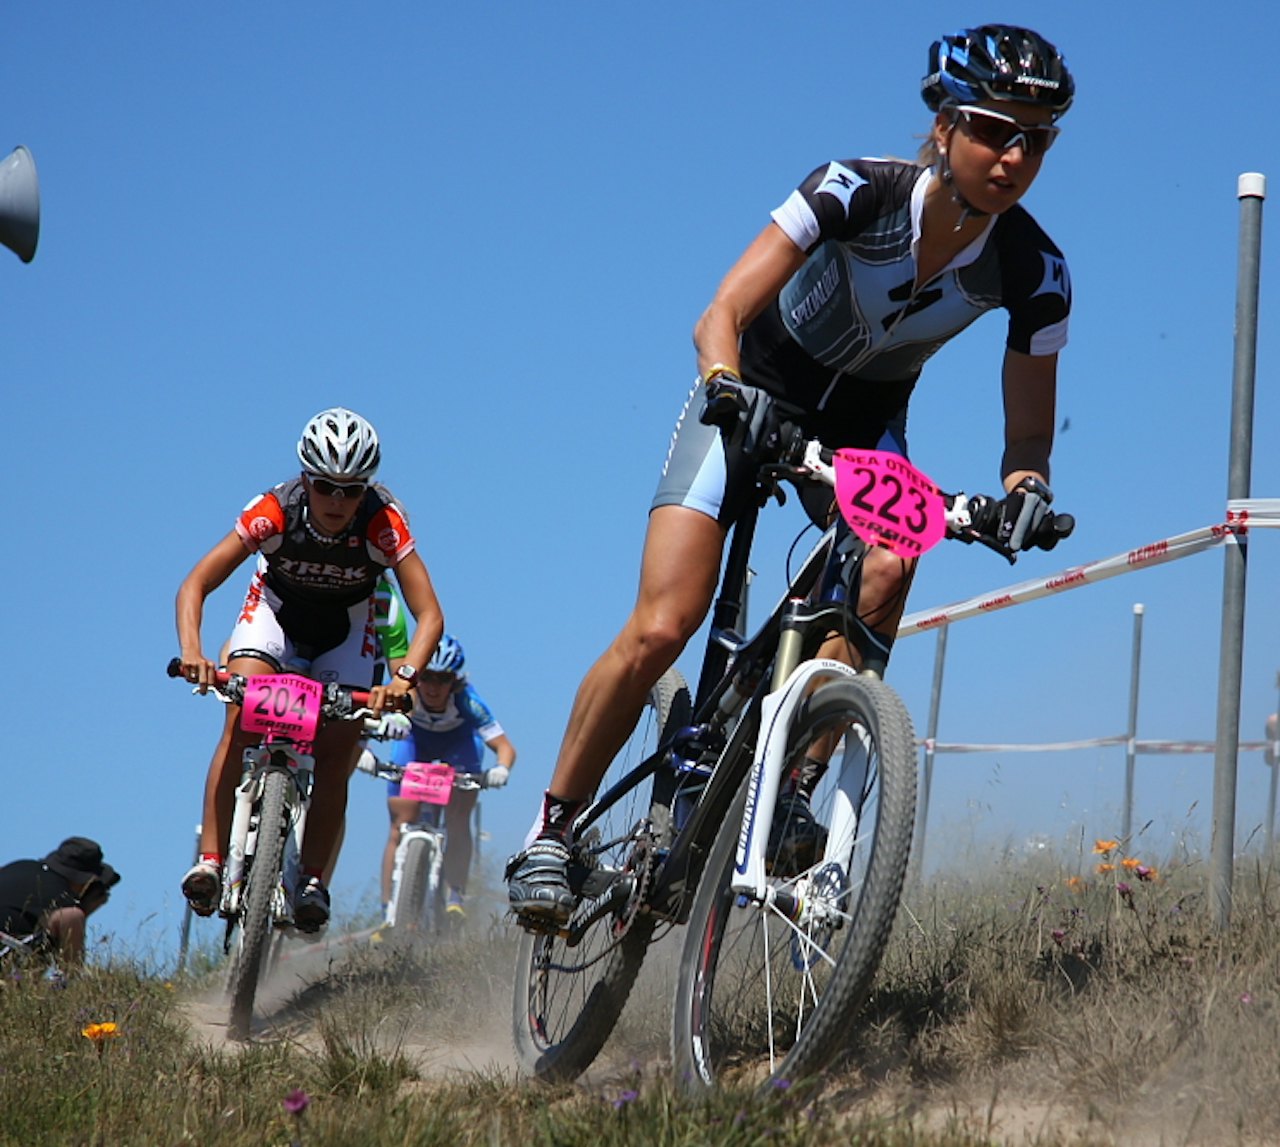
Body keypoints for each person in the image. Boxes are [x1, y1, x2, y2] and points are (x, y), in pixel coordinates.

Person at [508, 24, 1075, 924]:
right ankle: (552, 828)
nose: (1013, 155)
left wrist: (1024, 496)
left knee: (895, 560)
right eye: (992, 129)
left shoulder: (1037, 270)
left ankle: (794, 786)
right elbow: (719, 314)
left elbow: (1028, 440)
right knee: (664, 625)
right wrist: (727, 388)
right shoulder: (853, 188)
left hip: (863, 434)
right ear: (942, 127)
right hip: (750, 391)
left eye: (1036, 137)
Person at [175, 407, 444, 932]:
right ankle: (210, 860)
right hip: (276, 613)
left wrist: (402, 680)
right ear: (305, 479)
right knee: (240, 715)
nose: (338, 501)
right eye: (325, 486)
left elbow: (429, 613)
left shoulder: (383, 523)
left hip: (347, 625)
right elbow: (196, 584)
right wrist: (193, 650)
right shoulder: (275, 510)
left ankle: (314, 879)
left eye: (352, 489)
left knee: (338, 745)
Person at [372, 633, 515, 920]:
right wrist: (363, 751)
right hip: (415, 743)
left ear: (455, 681)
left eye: (443, 680)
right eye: (427, 677)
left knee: (458, 817)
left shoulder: (468, 701)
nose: (434, 687)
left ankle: (455, 894)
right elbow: (371, 721)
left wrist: (500, 769)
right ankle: (388, 910)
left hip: (458, 746)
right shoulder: (407, 694)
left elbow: (505, 747)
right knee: (399, 824)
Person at [0, 837, 120, 966]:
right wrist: (83, 911)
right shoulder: (62, 898)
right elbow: (50, 959)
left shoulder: (20, 866)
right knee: (72, 916)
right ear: (83, 879)